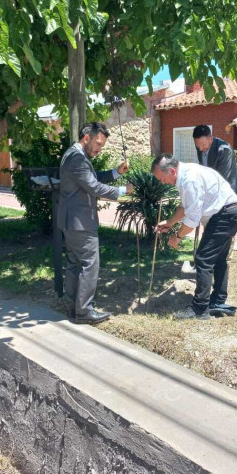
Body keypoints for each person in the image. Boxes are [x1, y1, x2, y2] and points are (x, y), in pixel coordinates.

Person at [58, 122, 133, 325]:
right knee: (90, 264)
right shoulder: (76, 157)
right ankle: (84, 312)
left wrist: (116, 173)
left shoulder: (74, 156)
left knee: (75, 264)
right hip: (80, 221)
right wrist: (122, 191)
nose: (99, 149)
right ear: (86, 138)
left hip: (72, 220)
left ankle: (73, 305)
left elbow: (91, 178)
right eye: (98, 144)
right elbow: (93, 187)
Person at [152, 154, 237, 320]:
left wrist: (177, 236)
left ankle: (199, 309)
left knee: (203, 259)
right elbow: (185, 206)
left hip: (224, 216)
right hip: (231, 213)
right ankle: (217, 301)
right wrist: (170, 223)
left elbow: (193, 218)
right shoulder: (186, 174)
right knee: (219, 259)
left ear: (172, 171)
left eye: (162, 178)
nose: (162, 182)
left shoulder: (189, 179)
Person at [192, 125, 237, 202]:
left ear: (211, 139)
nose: (200, 149)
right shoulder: (200, 146)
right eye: (197, 146)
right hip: (213, 191)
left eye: (203, 145)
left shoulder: (224, 150)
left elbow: (221, 177)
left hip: (230, 192)